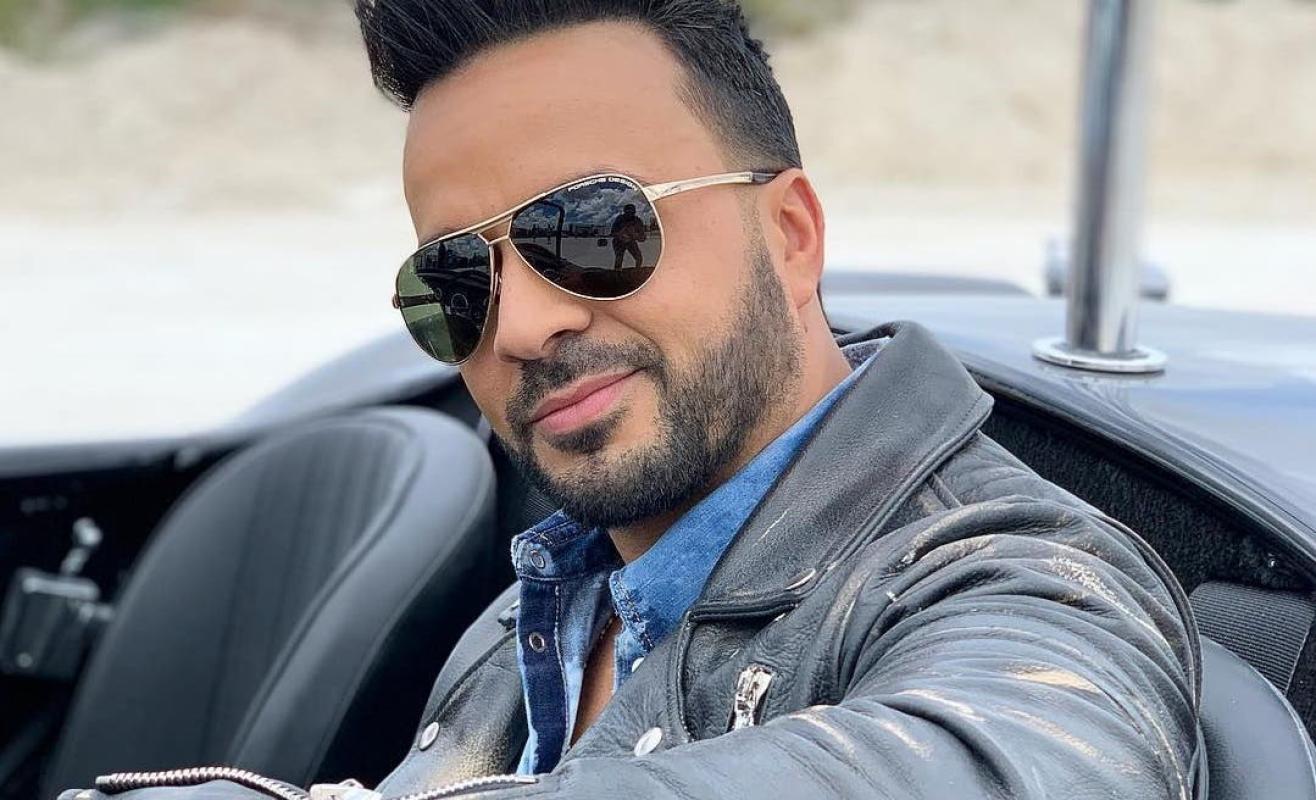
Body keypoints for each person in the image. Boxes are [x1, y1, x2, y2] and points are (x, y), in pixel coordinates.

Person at [59, 1, 1201, 798]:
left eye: (589, 230)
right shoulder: (533, 610)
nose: (521, 326)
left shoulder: (1016, 578)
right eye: (455, 283)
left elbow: (1034, 759)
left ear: (788, 235)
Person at [610, 204, 647, 269]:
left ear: (634, 212)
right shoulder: (620, 219)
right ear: (625, 212)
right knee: (619, 258)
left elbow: (643, 237)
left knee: (639, 258)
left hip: (631, 241)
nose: (629, 214)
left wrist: (635, 235)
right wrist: (621, 234)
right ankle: (617, 272)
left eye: (631, 212)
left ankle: (637, 271)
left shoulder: (637, 221)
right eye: (627, 212)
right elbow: (613, 232)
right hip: (619, 242)